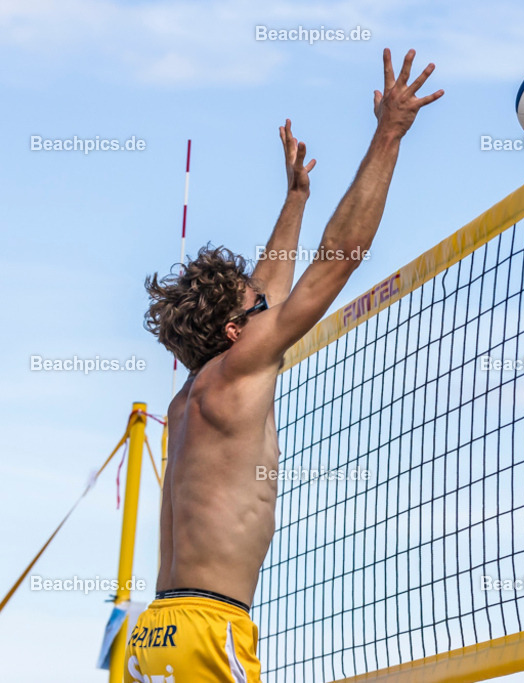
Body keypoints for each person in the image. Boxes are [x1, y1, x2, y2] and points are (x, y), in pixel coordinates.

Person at [127, 49, 443, 682]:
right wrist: (387, 137)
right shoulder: (240, 371)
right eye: (252, 303)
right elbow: (340, 258)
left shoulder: (191, 396)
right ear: (235, 332)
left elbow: (267, 289)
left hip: (156, 631)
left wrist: (295, 198)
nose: (264, 296)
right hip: (208, 632)